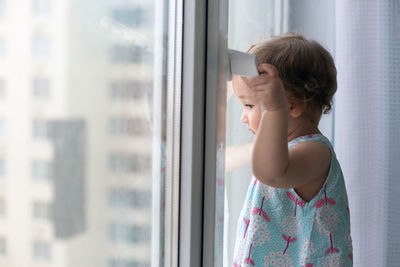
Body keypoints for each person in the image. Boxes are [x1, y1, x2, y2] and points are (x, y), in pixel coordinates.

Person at [232, 33, 352, 266]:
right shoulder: (286, 151)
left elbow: (271, 173)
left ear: (291, 105)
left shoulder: (315, 152)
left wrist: (274, 111)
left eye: (249, 105)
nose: (243, 118)